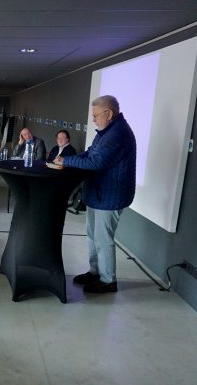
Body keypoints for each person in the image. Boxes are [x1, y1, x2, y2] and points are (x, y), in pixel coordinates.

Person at [54, 95, 136, 293]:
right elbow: (90, 153)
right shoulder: (105, 132)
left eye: (96, 115)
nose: (93, 120)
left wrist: (66, 162)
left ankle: (109, 281)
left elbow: (96, 162)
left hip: (110, 196)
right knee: (92, 235)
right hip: (98, 194)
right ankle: (95, 272)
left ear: (109, 113)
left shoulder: (118, 134)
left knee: (103, 239)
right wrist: (68, 158)